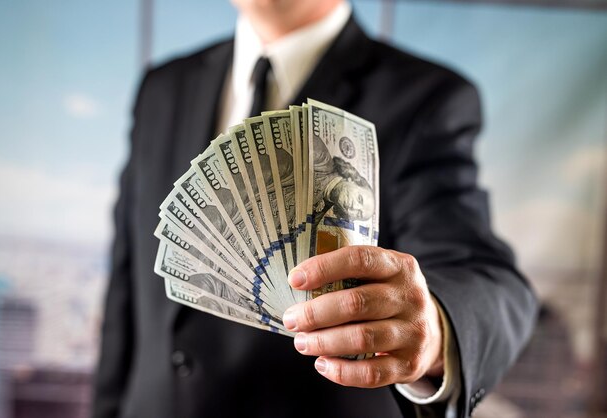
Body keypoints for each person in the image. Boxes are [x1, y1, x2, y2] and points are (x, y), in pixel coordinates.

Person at [92, 0, 538, 417]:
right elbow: (127, 287)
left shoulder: (426, 97)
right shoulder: (164, 86)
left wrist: (435, 330)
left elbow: (487, 278)